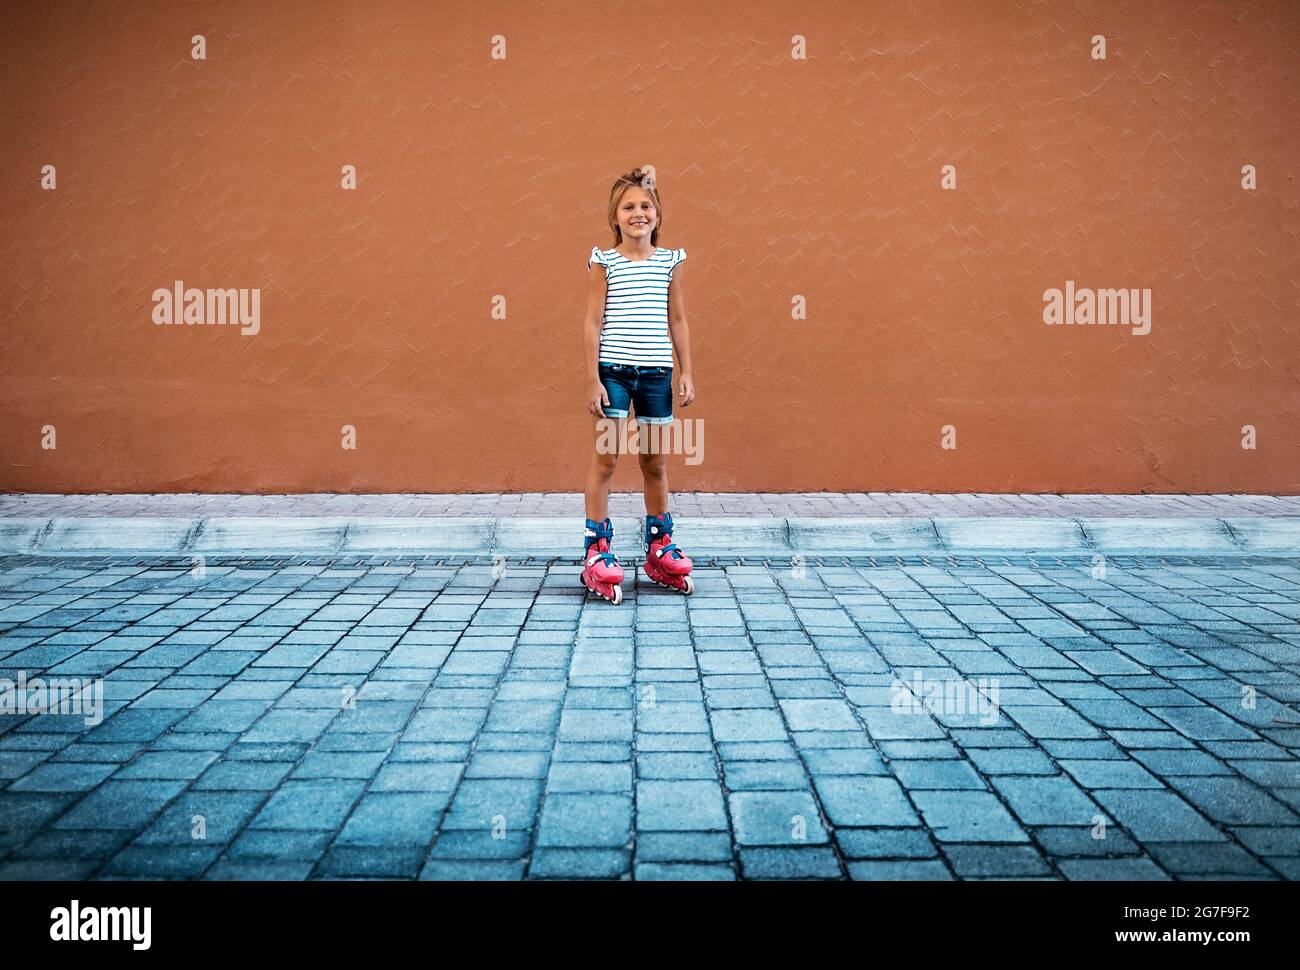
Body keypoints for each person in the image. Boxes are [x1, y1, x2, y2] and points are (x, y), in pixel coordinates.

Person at [579, 166, 696, 604]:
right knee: (606, 461)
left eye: (645, 206)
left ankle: (659, 546)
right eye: (628, 207)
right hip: (613, 374)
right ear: (615, 217)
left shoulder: (671, 262)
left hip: (656, 376)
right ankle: (596, 549)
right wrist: (592, 379)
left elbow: (679, 320)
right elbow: (592, 323)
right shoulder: (603, 262)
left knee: (654, 463)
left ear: (658, 214)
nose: (638, 213)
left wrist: (686, 372)